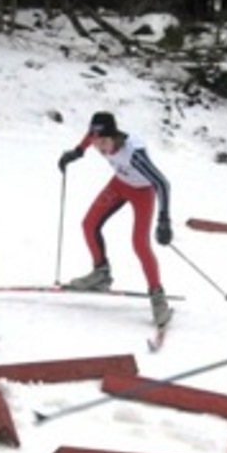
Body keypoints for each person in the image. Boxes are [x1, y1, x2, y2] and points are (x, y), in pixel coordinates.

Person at [57, 112, 174, 327]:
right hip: (119, 185)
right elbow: (90, 136)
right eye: (96, 142)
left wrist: (164, 219)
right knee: (89, 224)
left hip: (142, 193)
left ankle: (158, 297)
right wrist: (77, 151)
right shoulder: (99, 138)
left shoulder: (135, 154)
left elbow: (162, 184)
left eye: (104, 142)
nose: (100, 148)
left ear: (115, 136)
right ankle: (101, 274)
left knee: (140, 244)